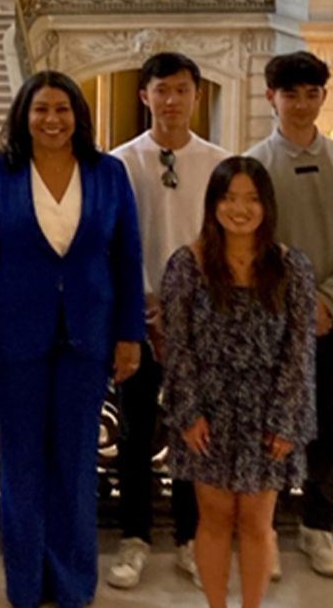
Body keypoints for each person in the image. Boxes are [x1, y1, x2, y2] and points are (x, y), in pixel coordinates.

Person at [0, 71, 144, 608]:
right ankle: (24, 584)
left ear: (78, 116)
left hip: (88, 336)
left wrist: (129, 333)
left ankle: (70, 585)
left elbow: (128, 256)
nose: (52, 119)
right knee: (20, 466)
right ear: (24, 115)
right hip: (14, 337)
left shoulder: (108, 173)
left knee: (75, 464)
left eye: (62, 109)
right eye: (40, 109)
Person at [160, 156, 317, 608]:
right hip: (207, 413)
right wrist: (188, 413)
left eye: (250, 199)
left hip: (267, 413)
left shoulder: (292, 267)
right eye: (229, 198)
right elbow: (178, 346)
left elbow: (299, 348)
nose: (240, 209)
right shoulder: (187, 266)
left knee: (255, 520)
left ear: (266, 205)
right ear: (213, 205)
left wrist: (286, 419)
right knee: (212, 519)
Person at [245, 50, 333, 579]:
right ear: (271, 97)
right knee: (269, 429)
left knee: (326, 432)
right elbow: (249, 242)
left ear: (323, 96)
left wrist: (329, 301)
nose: (301, 104)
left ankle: (318, 528)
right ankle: (265, 531)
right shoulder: (254, 166)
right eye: (290, 93)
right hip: (273, 324)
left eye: (311, 93)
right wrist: (298, 305)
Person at [106, 52, 226, 590]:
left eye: (182, 90)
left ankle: (189, 538)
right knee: (133, 434)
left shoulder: (219, 164)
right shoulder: (118, 163)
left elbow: (226, 241)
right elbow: (107, 243)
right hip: (137, 318)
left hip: (199, 322)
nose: (172, 101)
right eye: (162, 90)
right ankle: (135, 537)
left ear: (197, 96)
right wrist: (138, 306)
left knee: (192, 432)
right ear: (144, 96)